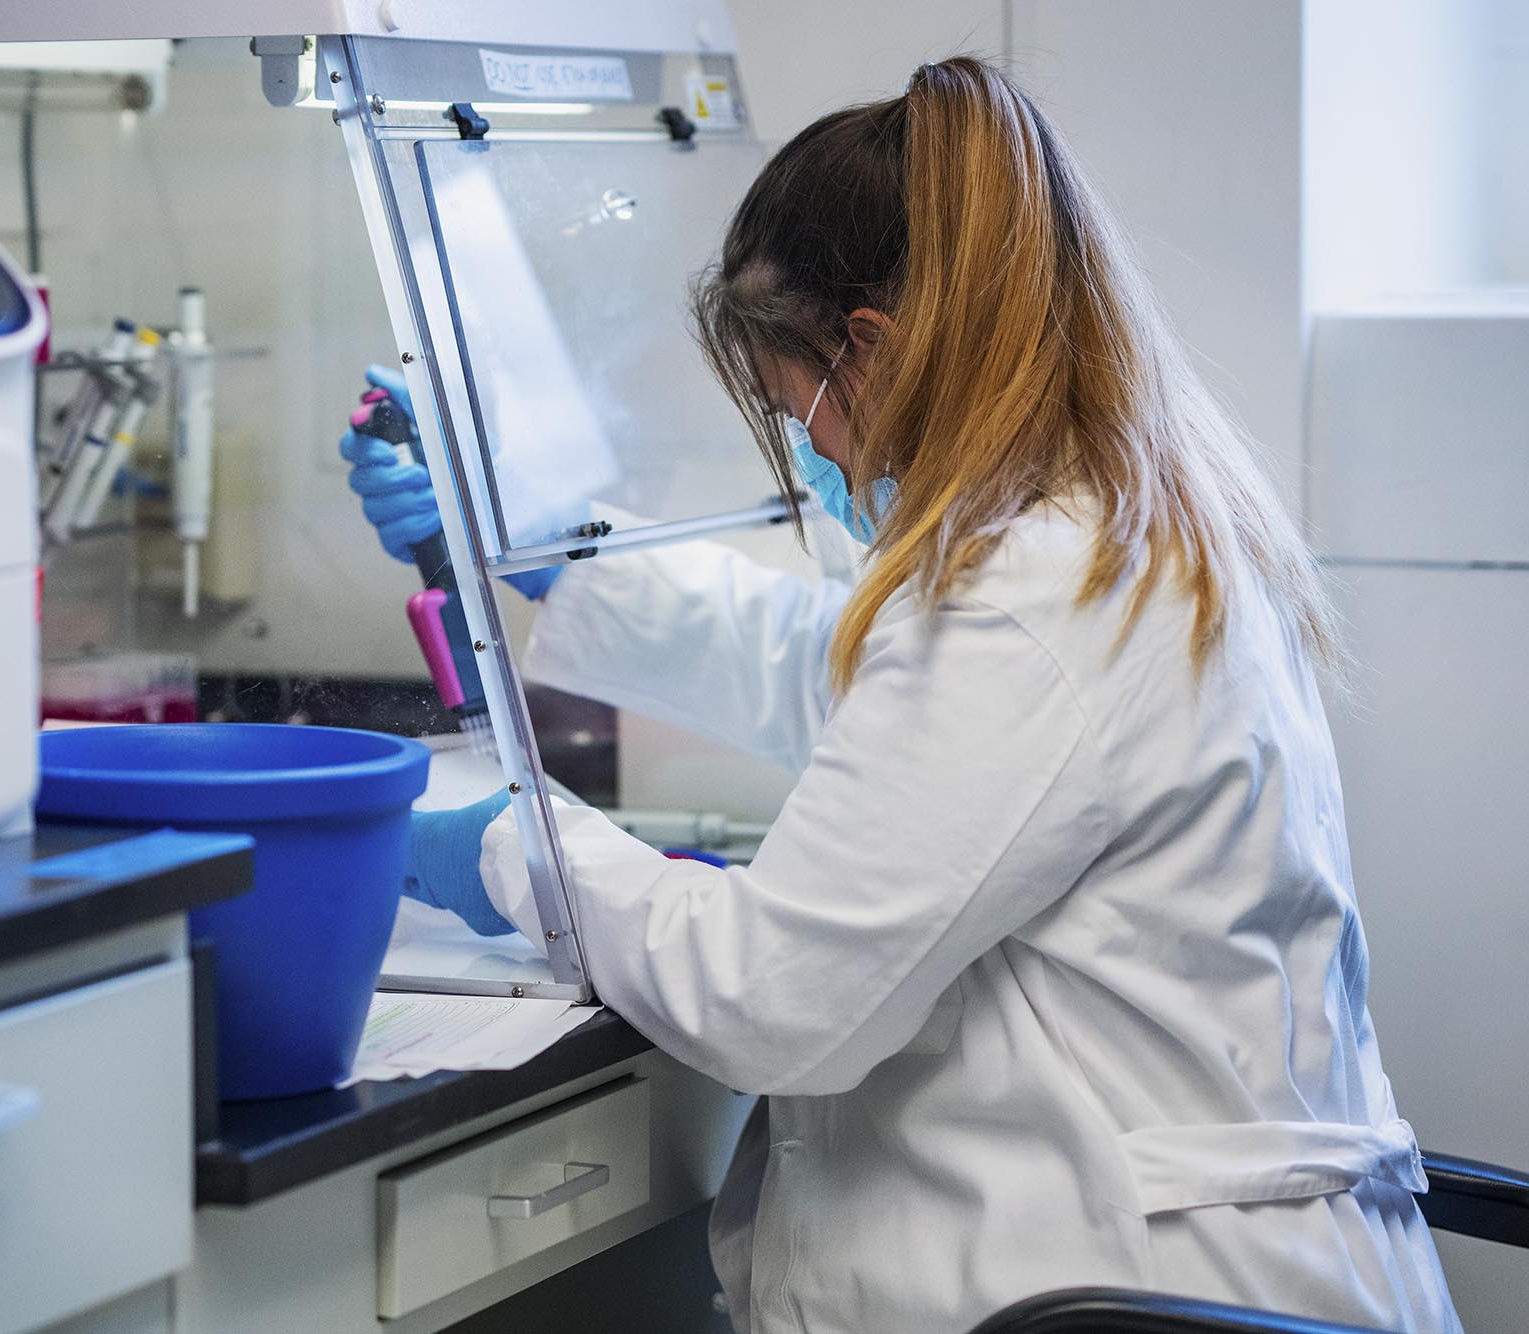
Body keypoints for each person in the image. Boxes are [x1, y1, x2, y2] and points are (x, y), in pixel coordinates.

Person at [338, 58, 1462, 1334]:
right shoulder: (1110, 533)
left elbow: (767, 999)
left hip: (1124, 1296)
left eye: (792, 406)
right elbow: (848, 668)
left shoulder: (1037, 590)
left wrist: (510, 840)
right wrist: (544, 544)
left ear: (865, 349)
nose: (813, 449)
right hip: (1181, 1271)